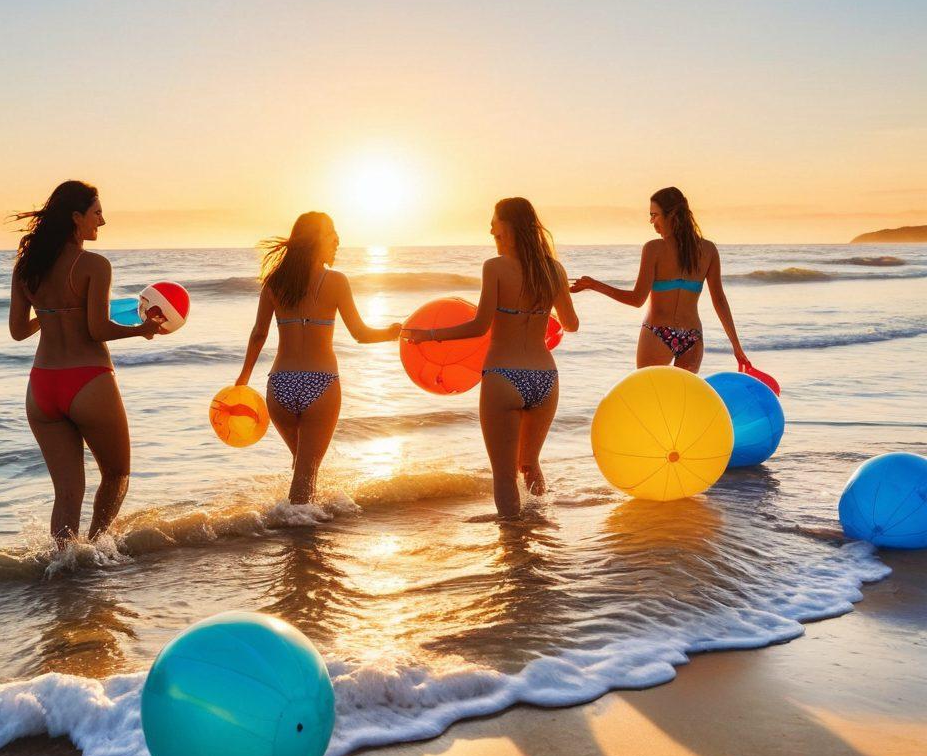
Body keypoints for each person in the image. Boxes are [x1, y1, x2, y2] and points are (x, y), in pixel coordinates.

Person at [8, 180, 162, 546]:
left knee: (67, 494)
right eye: (97, 213)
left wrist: (49, 314)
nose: (103, 221)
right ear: (77, 217)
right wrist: (141, 330)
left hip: (42, 387)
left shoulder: (26, 267)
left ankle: (63, 568)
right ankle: (95, 549)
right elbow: (97, 329)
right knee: (117, 474)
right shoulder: (93, 264)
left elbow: (17, 331)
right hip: (87, 380)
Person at [404, 198, 578, 518]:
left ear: (508, 226)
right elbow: (571, 324)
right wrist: (543, 309)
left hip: (504, 376)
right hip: (545, 378)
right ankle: (540, 526)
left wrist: (427, 335)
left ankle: (514, 546)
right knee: (529, 464)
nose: (490, 229)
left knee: (504, 475)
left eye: (494, 223)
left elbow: (479, 325)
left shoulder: (495, 267)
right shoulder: (554, 269)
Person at [234, 212, 401, 503]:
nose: (337, 240)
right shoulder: (336, 281)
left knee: (302, 467)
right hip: (320, 384)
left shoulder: (274, 282)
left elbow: (258, 334)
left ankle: (299, 530)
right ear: (314, 241)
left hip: (280, 386)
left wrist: (243, 379)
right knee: (305, 476)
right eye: (331, 233)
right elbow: (360, 334)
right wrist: (391, 332)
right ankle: (299, 533)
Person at [571, 186, 748, 372]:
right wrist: (736, 346)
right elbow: (719, 301)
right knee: (680, 399)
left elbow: (636, 300)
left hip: (657, 333)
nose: (651, 221)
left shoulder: (654, 249)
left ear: (671, 215)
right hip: (692, 337)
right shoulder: (708, 250)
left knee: (648, 395)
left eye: (654, 215)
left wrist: (594, 284)